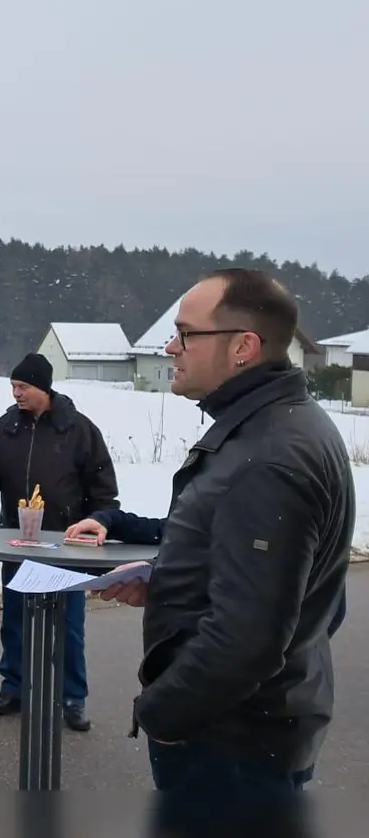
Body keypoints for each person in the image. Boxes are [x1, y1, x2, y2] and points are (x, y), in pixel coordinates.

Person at [72, 269, 352, 820]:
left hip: (231, 748)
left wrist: (163, 714)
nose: (171, 347)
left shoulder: (268, 456)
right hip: (256, 736)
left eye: (185, 333)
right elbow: (304, 593)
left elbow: (249, 639)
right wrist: (169, 579)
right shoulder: (272, 430)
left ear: (244, 346)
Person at [0, 352, 119, 731]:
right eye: (13, 386)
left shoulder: (79, 430)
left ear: (43, 388)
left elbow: (104, 488)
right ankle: (13, 687)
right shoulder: (4, 429)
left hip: (67, 544)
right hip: (17, 543)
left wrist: (98, 520)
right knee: (15, 621)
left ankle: (72, 698)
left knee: (68, 625)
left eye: (23, 387)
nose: (16, 393)